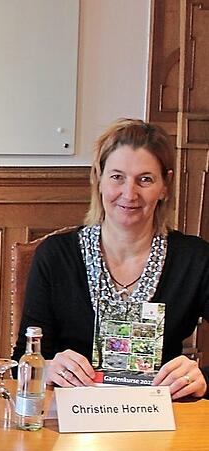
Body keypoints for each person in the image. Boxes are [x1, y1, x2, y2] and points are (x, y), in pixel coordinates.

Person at [12, 118, 209, 399]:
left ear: (165, 186)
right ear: (99, 179)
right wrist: (47, 367)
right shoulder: (56, 256)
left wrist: (201, 377)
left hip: (161, 418)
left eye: (145, 179)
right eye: (117, 176)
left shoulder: (195, 259)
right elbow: (22, 360)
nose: (129, 194)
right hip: (73, 417)